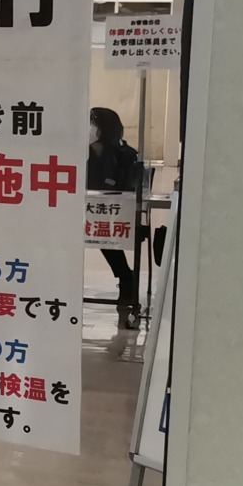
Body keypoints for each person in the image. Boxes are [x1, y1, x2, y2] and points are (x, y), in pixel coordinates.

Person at [88, 106, 145, 328]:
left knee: (105, 236)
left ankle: (126, 278)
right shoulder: (82, 153)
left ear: (104, 127)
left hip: (116, 214)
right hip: (87, 211)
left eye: (93, 123)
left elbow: (129, 190)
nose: (89, 128)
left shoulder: (126, 155)